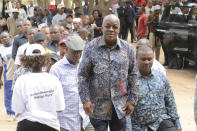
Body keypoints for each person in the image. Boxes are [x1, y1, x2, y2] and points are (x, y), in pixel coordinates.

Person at [78, 14, 138, 131]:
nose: (111, 29)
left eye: (115, 27)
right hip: (97, 106)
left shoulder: (128, 49)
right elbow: (83, 76)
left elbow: (133, 75)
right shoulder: (91, 48)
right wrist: (85, 100)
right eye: (107, 26)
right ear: (102, 28)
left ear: (119, 29)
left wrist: (132, 100)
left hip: (121, 106)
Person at [12, 44, 65, 131]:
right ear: (46, 60)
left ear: (26, 61)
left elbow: (18, 108)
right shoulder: (53, 80)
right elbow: (60, 107)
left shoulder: (21, 81)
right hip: (50, 125)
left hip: (27, 125)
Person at [131, 45, 182, 131]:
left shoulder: (161, 77)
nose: (146, 62)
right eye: (143, 59)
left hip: (160, 121)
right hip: (138, 125)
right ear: (136, 59)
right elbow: (127, 112)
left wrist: (177, 122)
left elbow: (170, 101)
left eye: (149, 59)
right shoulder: (130, 80)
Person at [50, 35, 92, 131]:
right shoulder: (56, 69)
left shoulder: (85, 65)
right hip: (65, 122)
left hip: (85, 119)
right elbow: (52, 96)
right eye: (74, 52)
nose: (77, 55)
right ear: (67, 49)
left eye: (79, 52)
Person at [0, 32, 17, 121]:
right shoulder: (0, 50)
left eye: (6, 37)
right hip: (9, 75)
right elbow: (0, 66)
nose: (4, 39)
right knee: (8, 95)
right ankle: (11, 113)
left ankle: (20, 113)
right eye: (2, 38)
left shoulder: (16, 45)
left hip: (20, 74)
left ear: (10, 37)